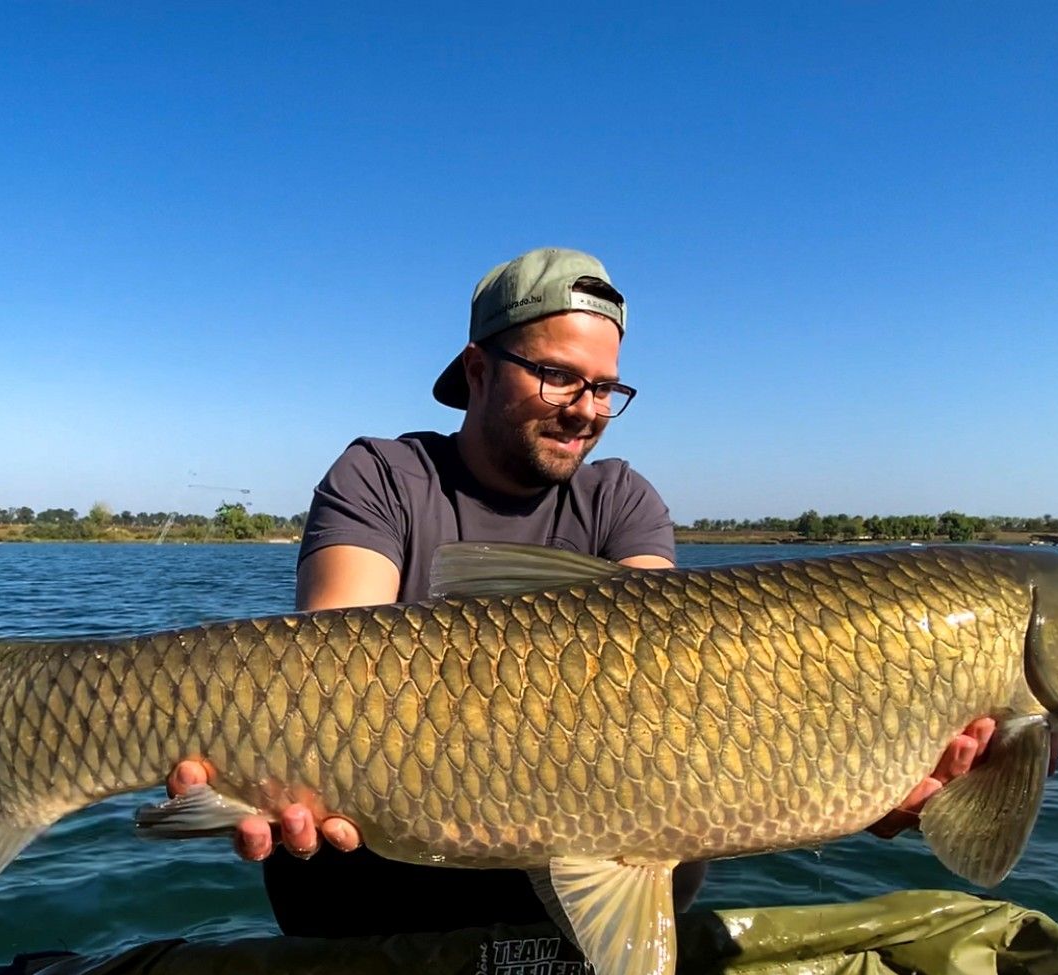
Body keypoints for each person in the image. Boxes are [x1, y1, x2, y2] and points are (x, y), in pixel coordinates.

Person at [169, 247, 1007, 937]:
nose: (588, 410)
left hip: (581, 905)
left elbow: (660, 682)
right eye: (557, 377)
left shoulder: (620, 499)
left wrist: (848, 772)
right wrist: (281, 775)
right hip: (389, 901)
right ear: (476, 369)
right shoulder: (385, 475)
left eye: (606, 388)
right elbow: (332, 669)